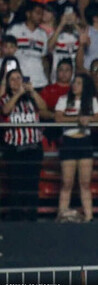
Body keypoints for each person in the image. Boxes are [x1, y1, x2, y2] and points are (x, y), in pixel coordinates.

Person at [54, 73, 98, 223]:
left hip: (84, 142)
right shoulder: (63, 99)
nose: (75, 85)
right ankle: (61, 214)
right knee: (67, 182)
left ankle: (89, 216)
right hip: (69, 141)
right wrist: (78, 119)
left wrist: (89, 119)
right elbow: (58, 118)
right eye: (74, 82)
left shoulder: (91, 100)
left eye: (79, 83)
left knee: (85, 183)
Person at [0, 69, 47, 221]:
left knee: (32, 184)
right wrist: (18, 94)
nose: (15, 82)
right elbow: (6, 110)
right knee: (16, 184)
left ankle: (31, 216)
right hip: (15, 148)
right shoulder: (5, 98)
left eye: (18, 78)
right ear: (7, 83)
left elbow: (44, 107)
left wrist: (32, 92)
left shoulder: (31, 98)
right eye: (12, 79)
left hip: (33, 147)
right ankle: (16, 217)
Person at [6, 1, 49, 91]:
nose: (40, 16)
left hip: (39, 81)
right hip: (19, 81)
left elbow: (44, 59)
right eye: (37, 13)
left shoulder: (43, 34)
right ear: (28, 14)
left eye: (41, 14)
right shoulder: (15, 30)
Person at [39, 58, 73, 145]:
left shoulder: (76, 90)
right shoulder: (48, 89)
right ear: (57, 72)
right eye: (61, 70)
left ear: (72, 72)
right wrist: (54, 116)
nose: (64, 73)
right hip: (53, 125)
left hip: (72, 125)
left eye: (67, 70)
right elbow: (40, 111)